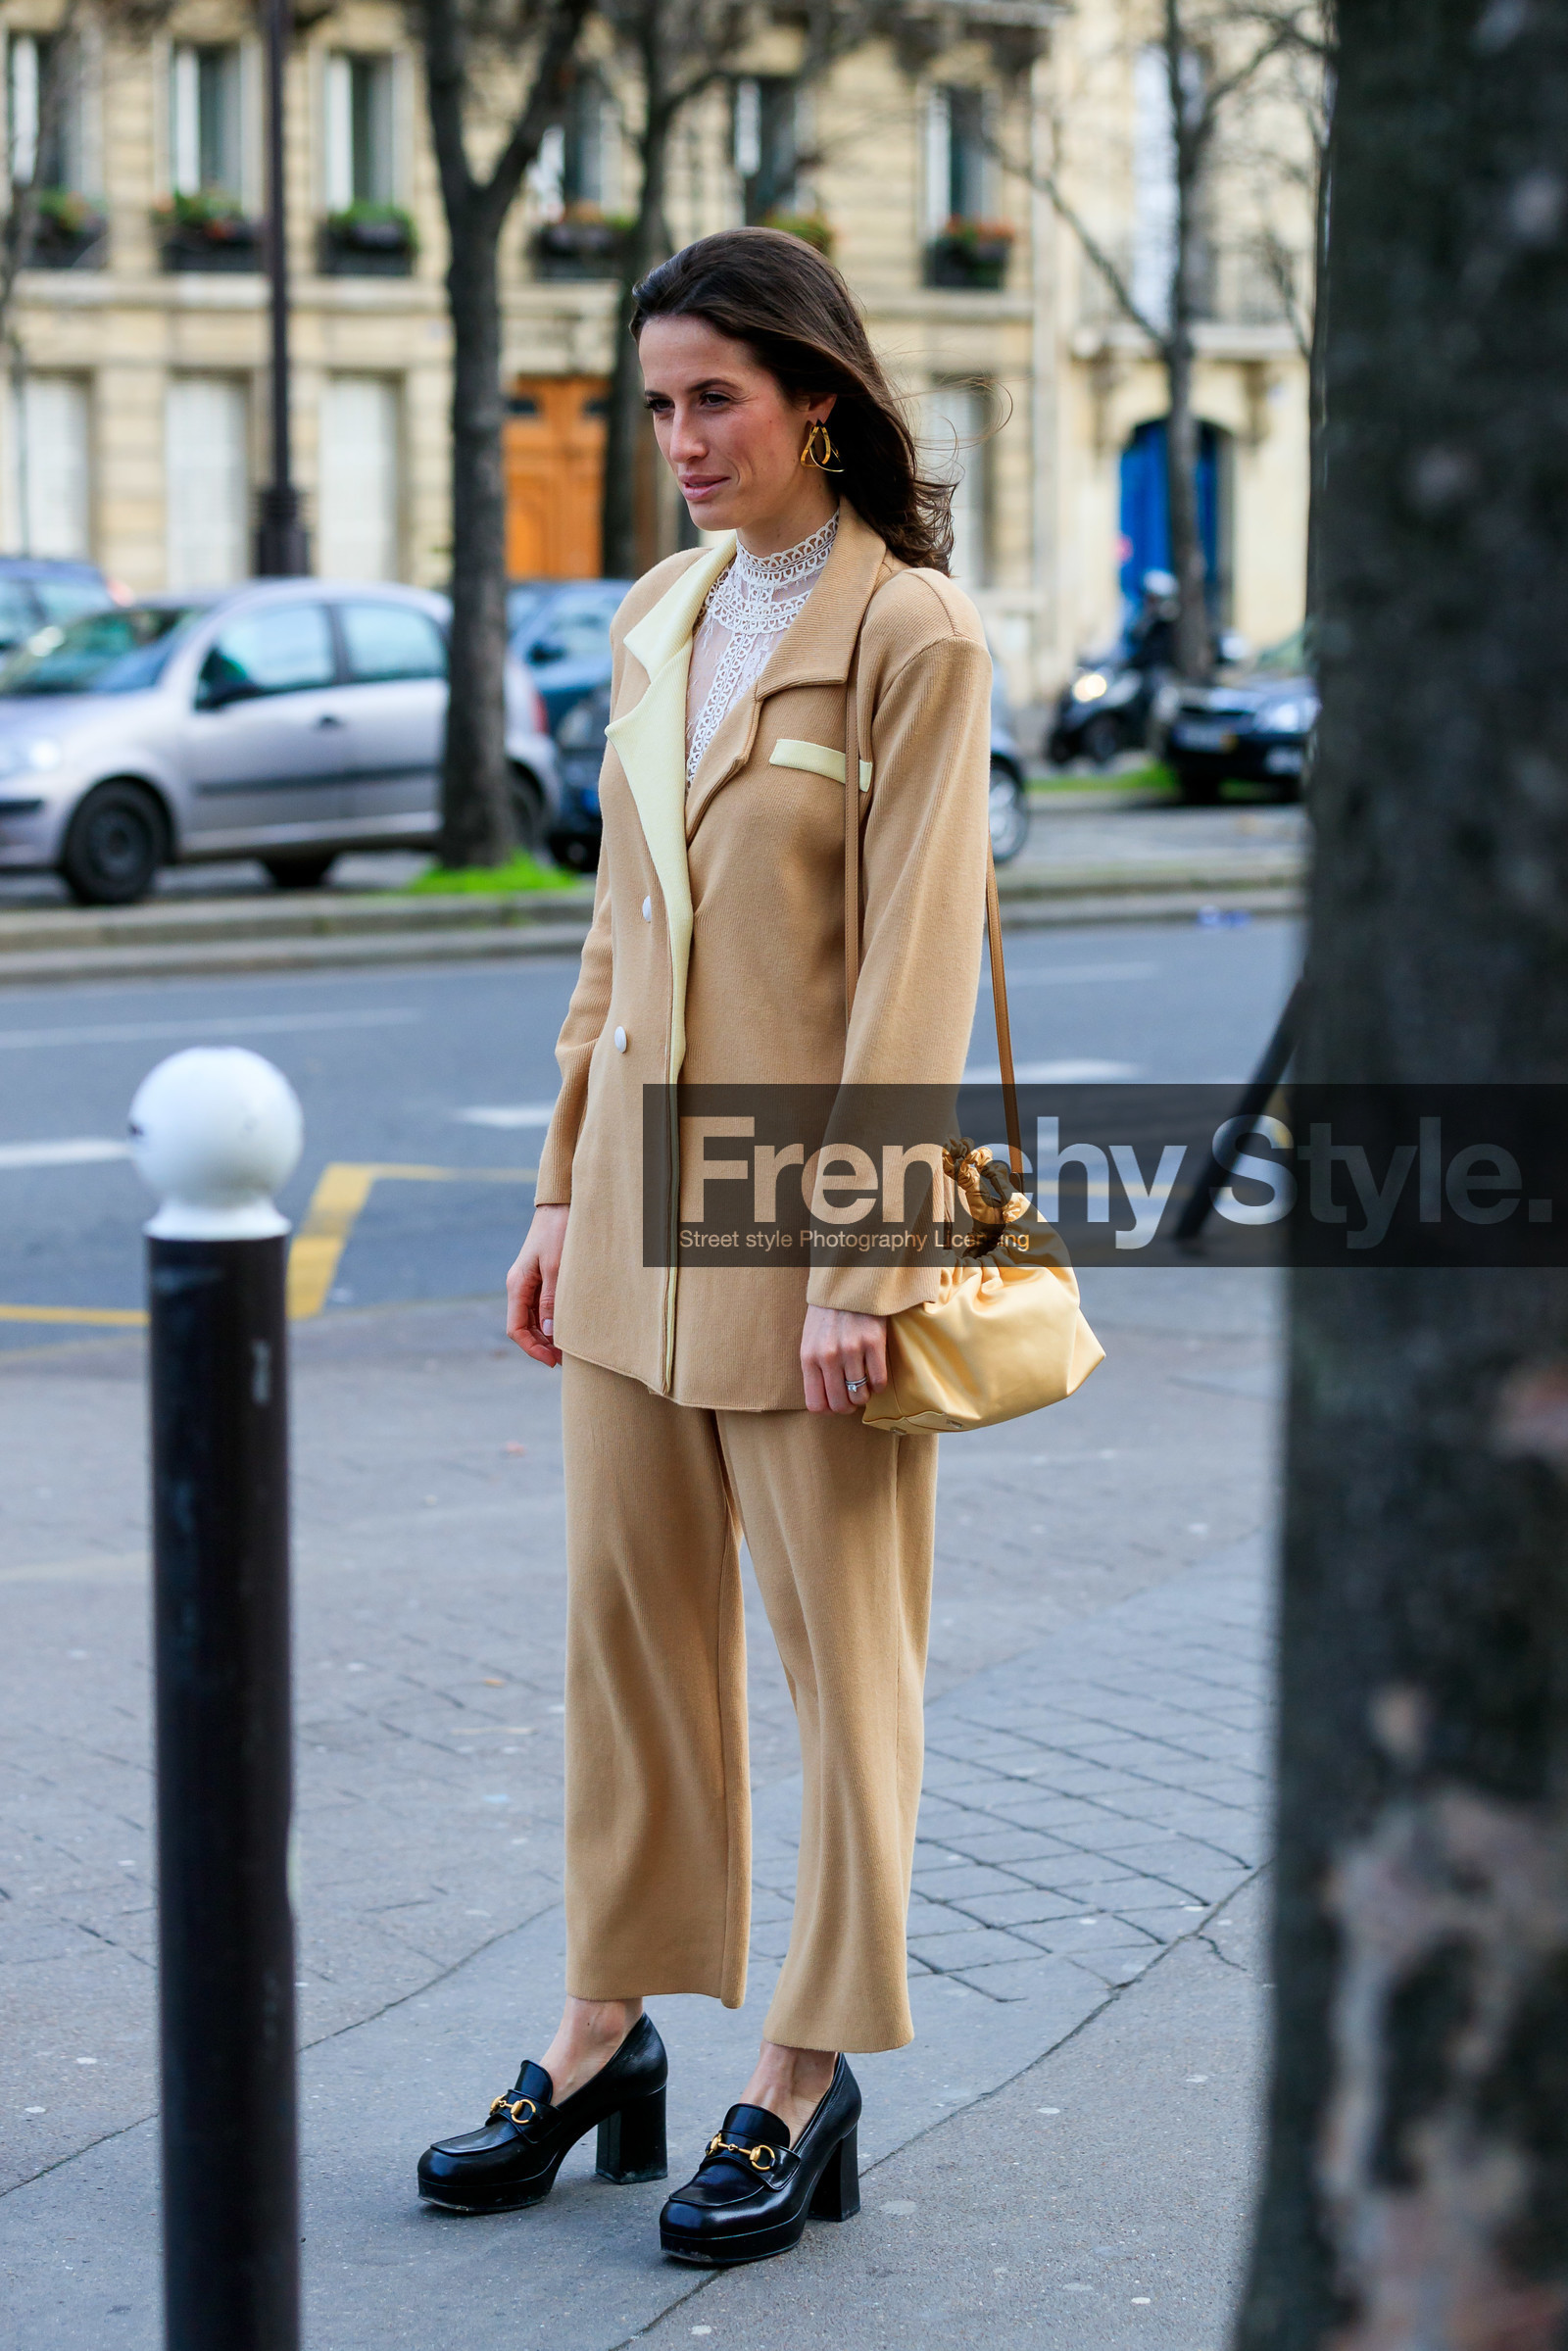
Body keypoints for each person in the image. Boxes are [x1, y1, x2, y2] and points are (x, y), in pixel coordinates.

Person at [416, 226, 993, 2267]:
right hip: (646, 1206)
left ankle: (802, 2070)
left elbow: (916, 969)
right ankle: (603, 2034)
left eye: (711, 399)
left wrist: (859, 1263)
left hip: (810, 1213)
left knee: (844, 1669)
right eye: (657, 404)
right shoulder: (663, 614)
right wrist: (560, 1191)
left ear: (810, 396)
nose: (674, 438)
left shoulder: (908, 630)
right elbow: (615, 941)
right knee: (626, 1643)